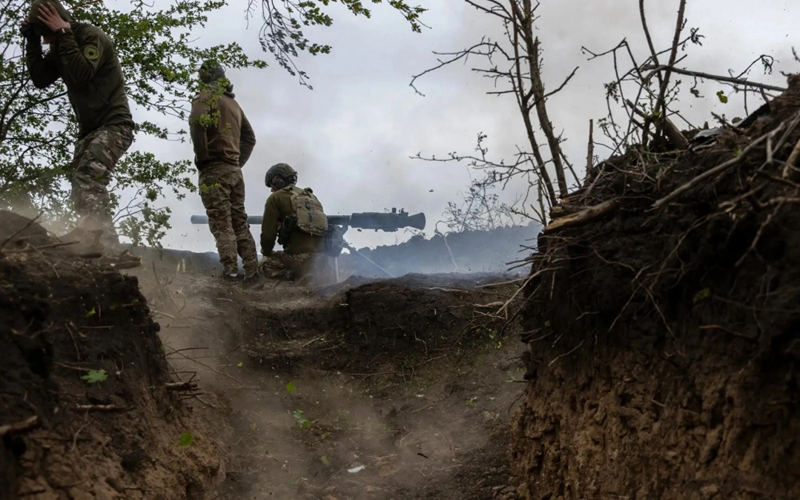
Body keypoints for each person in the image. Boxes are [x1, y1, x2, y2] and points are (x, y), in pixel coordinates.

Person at [22, 0, 135, 249]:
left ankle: (106, 246)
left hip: (115, 124)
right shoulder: (62, 46)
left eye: (47, 34)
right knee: (79, 186)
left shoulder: (91, 37)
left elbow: (82, 74)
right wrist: (31, 41)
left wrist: (63, 34)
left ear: (59, 21)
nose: (47, 41)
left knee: (88, 178)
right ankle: (95, 242)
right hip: (90, 131)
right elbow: (40, 79)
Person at [189, 60, 259, 283]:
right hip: (234, 172)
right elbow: (250, 138)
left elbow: (197, 121)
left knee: (221, 221)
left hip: (214, 169)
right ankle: (252, 272)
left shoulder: (206, 96)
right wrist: (237, 162)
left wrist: (203, 157)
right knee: (239, 221)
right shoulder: (233, 104)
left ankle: (230, 273)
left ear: (204, 76)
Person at [259, 163, 333, 285]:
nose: (272, 189)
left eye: (272, 184)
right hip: (323, 260)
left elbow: (268, 236)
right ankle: (311, 276)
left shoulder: (275, 198)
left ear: (278, 179)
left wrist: (266, 252)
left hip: (299, 259)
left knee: (263, 264)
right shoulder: (311, 196)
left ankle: (296, 276)